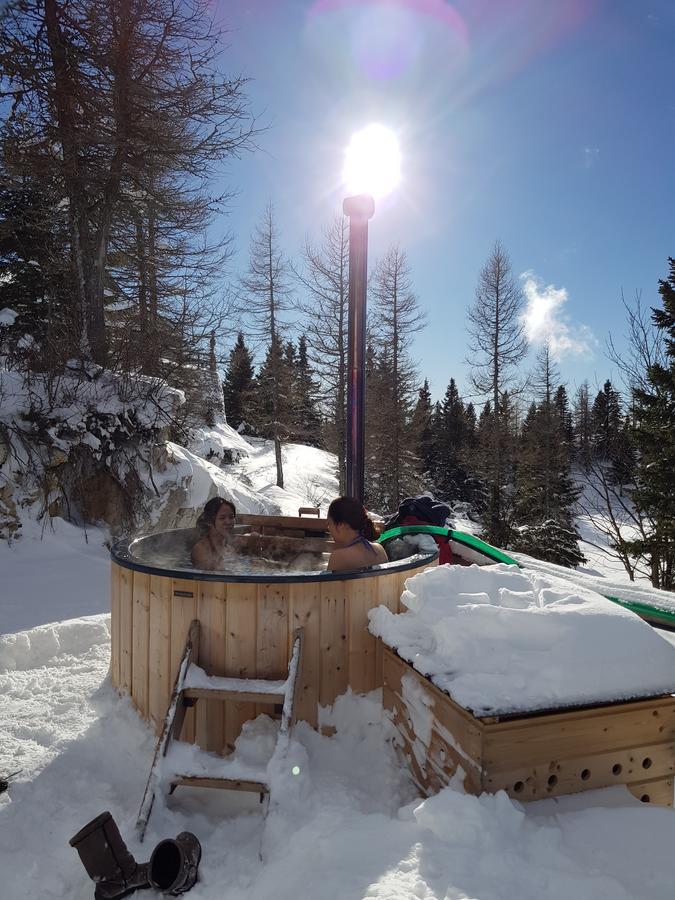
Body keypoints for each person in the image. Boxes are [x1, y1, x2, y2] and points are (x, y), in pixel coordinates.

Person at [326, 496, 388, 572]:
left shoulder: (339, 557)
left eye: (329, 523)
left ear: (341, 525)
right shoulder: (379, 550)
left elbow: (325, 583)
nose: (328, 528)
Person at [190, 497, 237, 570]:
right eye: (222, 518)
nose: (228, 522)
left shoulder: (230, 549)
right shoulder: (201, 549)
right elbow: (211, 575)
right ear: (209, 521)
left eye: (231, 517)